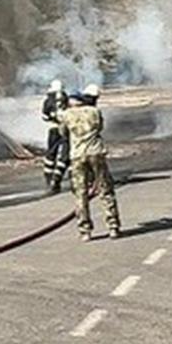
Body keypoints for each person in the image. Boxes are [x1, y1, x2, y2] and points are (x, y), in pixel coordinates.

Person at [59, 84, 122, 241]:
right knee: (105, 190)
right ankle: (113, 226)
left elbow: (63, 133)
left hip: (77, 156)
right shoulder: (95, 112)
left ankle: (85, 231)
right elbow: (99, 127)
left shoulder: (66, 115)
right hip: (96, 152)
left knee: (81, 194)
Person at [41, 79, 70, 193]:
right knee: (65, 153)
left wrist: (52, 117)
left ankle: (49, 178)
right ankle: (57, 178)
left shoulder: (48, 100)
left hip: (53, 129)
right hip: (65, 129)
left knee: (51, 152)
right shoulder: (65, 97)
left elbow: (44, 117)